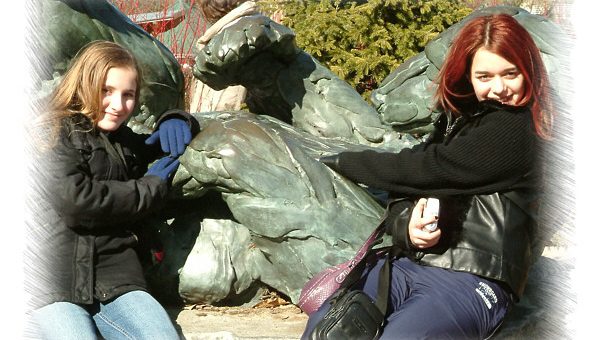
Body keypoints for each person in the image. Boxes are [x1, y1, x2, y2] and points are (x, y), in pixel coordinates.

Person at [302, 13, 553, 339]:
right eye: (485, 76)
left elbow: (427, 169)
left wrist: (344, 161)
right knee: (328, 329)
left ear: (529, 70)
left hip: (473, 277)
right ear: (468, 76)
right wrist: (408, 225)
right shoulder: (456, 120)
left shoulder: (521, 129)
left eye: (510, 73)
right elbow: (407, 187)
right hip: (407, 266)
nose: (499, 88)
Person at [28, 40, 199, 339]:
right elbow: (77, 201)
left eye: (128, 95)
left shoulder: (122, 140)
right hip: (52, 280)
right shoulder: (51, 132)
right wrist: (151, 187)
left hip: (117, 276)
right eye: (106, 91)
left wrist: (177, 119)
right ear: (84, 83)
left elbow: (152, 144)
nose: (118, 105)